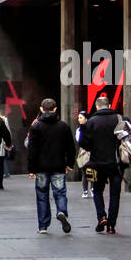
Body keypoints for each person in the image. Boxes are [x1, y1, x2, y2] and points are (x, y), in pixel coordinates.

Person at [78, 93, 131, 234]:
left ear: (97, 106)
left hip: (96, 163)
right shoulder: (120, 119)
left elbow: (83, 143)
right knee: (115, 194)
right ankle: (111, 225)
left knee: (97, 190)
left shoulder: (91, 122)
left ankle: (101, 216)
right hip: (116, 164)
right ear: (109, 105)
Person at [26, 98, 76, 234]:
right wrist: (69, 163)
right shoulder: (63, 126)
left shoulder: (36, 126)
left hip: (41, 167)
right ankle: (61, 211)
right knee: (60, 193)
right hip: (58, 166)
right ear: (55, 109)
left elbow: (32, 149)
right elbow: (71, 147)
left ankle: (43, 226)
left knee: (42, 195)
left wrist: (31, 168)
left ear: (41, 109)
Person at [76, 110, 92, 199]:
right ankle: (85, 190)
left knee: (91, 171)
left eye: (81, 118)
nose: (79, 119)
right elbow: (78, 140)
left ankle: (92, 188)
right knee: (84, 172)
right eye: (78, 118)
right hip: (83, 151)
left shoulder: (91, 127)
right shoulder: (79, 130)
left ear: (86, 119)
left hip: (90, 151)